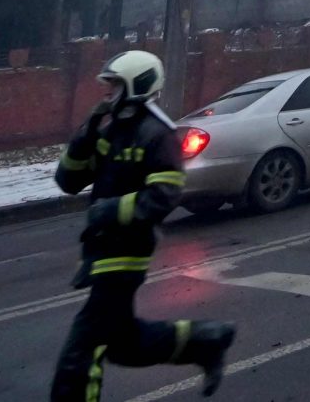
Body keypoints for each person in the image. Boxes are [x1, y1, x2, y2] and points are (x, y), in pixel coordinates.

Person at [50, 50, 234, 401]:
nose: (107, 93)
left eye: (114, 86)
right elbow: (68, 180)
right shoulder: (113, 129)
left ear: (136, 86)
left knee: (82, 351)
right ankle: (206, 340)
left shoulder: (158, 134)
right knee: (123, 345)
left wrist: (112, 210)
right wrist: (85, 133)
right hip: (101, 250)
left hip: (125, 254)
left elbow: (164, 195)